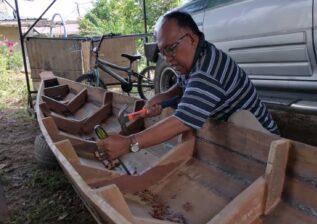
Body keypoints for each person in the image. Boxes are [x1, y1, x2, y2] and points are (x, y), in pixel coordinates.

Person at [97, 11, 279, 161]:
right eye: (163, 53)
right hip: (237, 136)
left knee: (238, 119)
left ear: (192, 39)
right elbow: (182, 86)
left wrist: (129, 143)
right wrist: (163, 97)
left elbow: (181, 121)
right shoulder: (198, 57)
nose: (168, 58)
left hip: (265, 142)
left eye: (171, 48)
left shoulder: (208, 70)